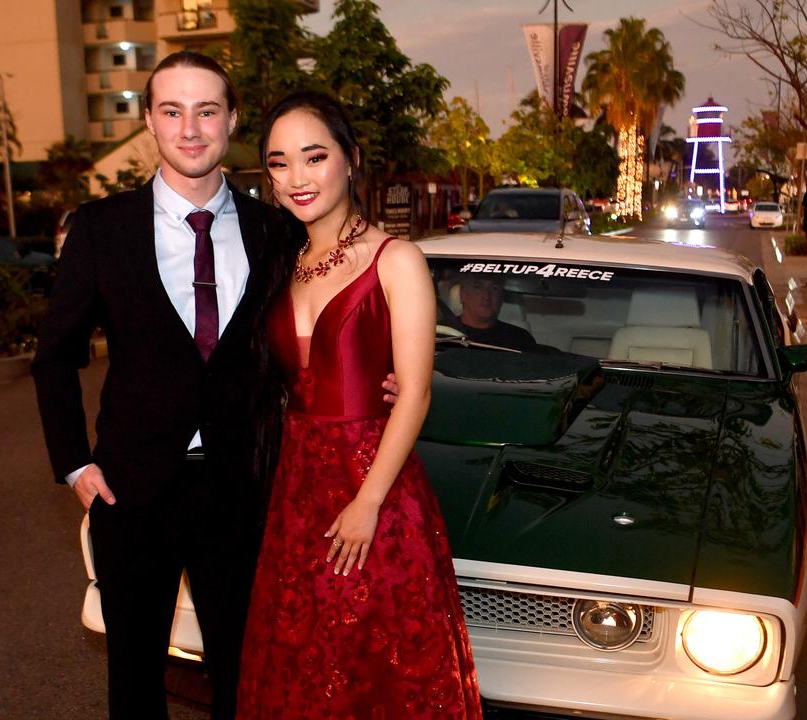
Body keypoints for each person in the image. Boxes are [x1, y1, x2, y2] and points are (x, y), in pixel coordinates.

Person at [31, 53, 308, 720]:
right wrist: (74, 463)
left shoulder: (275, 232)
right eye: (173, 111)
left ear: (231, 120)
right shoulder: (101, 229)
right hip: (132, 491)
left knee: (247, 679)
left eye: (207, 110)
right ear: (151, 121)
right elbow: (53, 357)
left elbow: (302, 351)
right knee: (133, 682)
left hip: (241, 490)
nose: (191, 128)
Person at [235, 91, 481, 718]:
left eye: (314, 157)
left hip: (375, 487)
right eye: (279, 163)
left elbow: (416, 393)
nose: (297, 178)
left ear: (351, 159)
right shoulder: (279, 263)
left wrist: (368, 502)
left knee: (371, 667)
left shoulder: (397, 259)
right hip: (295, 489)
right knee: (300, 665)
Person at [451, 274, 537, 350]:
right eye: (478, 287)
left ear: (501, 296)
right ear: (462, 294)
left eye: (494, 288)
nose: (486, 296)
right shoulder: (443, 333)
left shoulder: (520, 339)